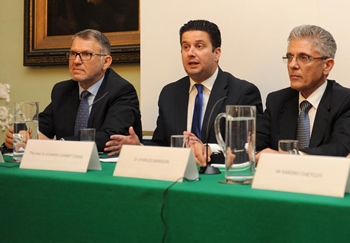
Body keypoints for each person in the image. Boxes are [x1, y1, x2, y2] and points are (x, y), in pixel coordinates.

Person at [104, 20, 263, 166]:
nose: (191, 53)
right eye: (185, 47)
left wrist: (208, 148)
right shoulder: (170, 93)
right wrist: (139, 146)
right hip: (176, 177)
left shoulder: (242, 92)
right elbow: (163, 144)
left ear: (217, 53)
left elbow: (248, 149)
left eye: (199, 46)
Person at [4, 29, 142, 152]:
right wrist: (18, 138)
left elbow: (110, 138)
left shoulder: (122, 91)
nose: (76, 61)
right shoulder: (62, 90)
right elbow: (40, 128)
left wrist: (56, 145)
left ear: (105, 62)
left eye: (86, 54)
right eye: (73, 53)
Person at [256, 25, 350, 161]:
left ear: (327, 65)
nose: (292, 65)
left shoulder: (344, 101)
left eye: (304, 57)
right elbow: (257, 144)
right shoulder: (277, 100)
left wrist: (293, 157)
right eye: (289, 57)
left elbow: (340, 148)